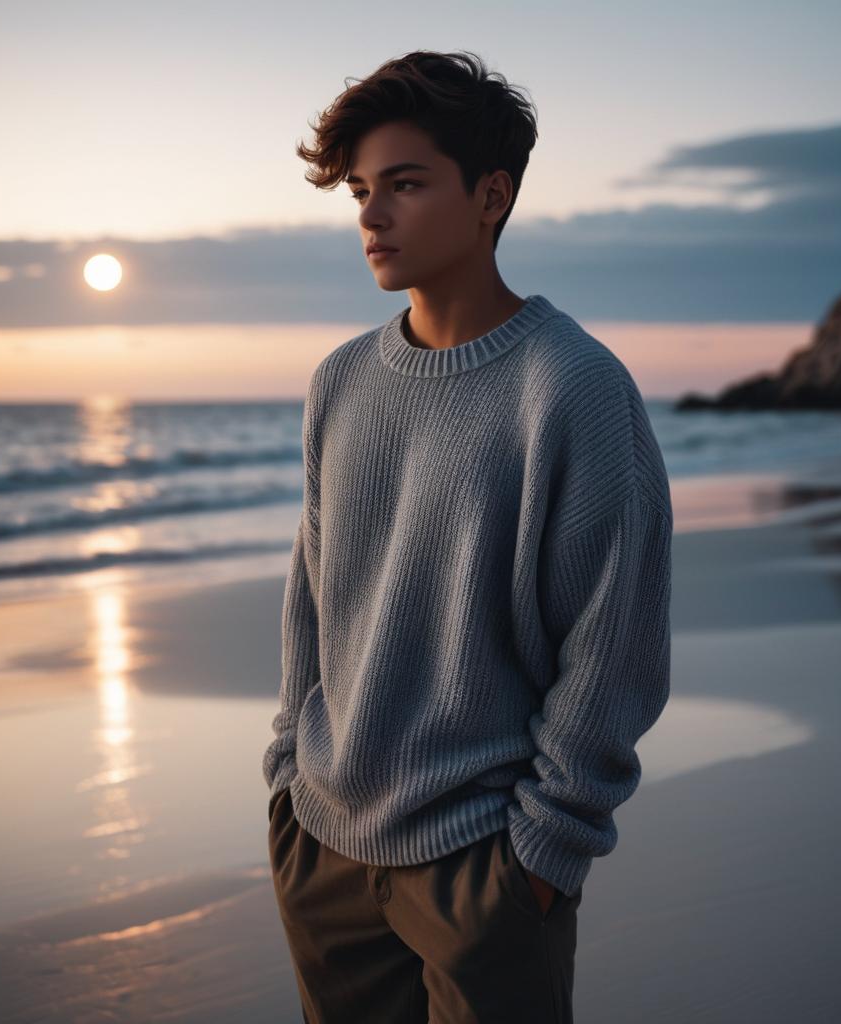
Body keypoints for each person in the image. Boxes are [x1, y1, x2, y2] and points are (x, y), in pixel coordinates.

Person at [264, 49, 673, 1024]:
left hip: (484, 865)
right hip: (323, 847)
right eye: (361, 190)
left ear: (491, 196)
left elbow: (612, 644)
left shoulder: (572, 387)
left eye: (403, 185)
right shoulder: (340, 382)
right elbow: (312, 598)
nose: (370, 215)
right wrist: (288, 777)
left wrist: (541, 853)